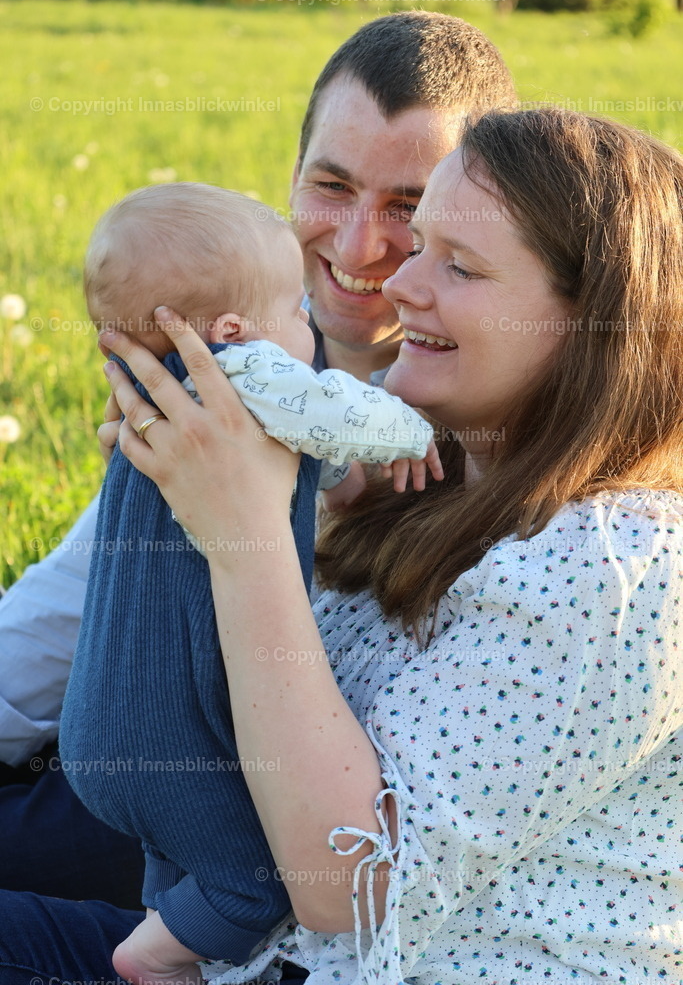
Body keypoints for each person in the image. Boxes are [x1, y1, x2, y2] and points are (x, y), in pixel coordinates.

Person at [1, 107, 681, 985]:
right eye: (420, 245)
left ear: (595, 327)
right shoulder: (439, 484)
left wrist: (244, 534)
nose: (400, 283)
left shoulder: (617, 570)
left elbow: (346, 886)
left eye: (459, 265)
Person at [0, 9, 517, 907]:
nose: (358, 246)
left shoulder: (479, 411)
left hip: (277, 834)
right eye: (331, 186)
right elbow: (76, 597)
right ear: (292, 174)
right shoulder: (235, 348)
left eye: (407, 207)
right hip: (132, 745)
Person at [58, 181, 440, 985]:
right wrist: (408, 431)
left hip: (99, 727)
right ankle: (152, 959)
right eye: (296, 311)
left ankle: (167, 926)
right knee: (253, 882)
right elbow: (334, 411)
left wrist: (338, 477)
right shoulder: (245, 371)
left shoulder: (162, 404)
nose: (309, 328)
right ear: (233, 332)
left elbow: (306, 451)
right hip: (170, 736)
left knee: (187, 851)